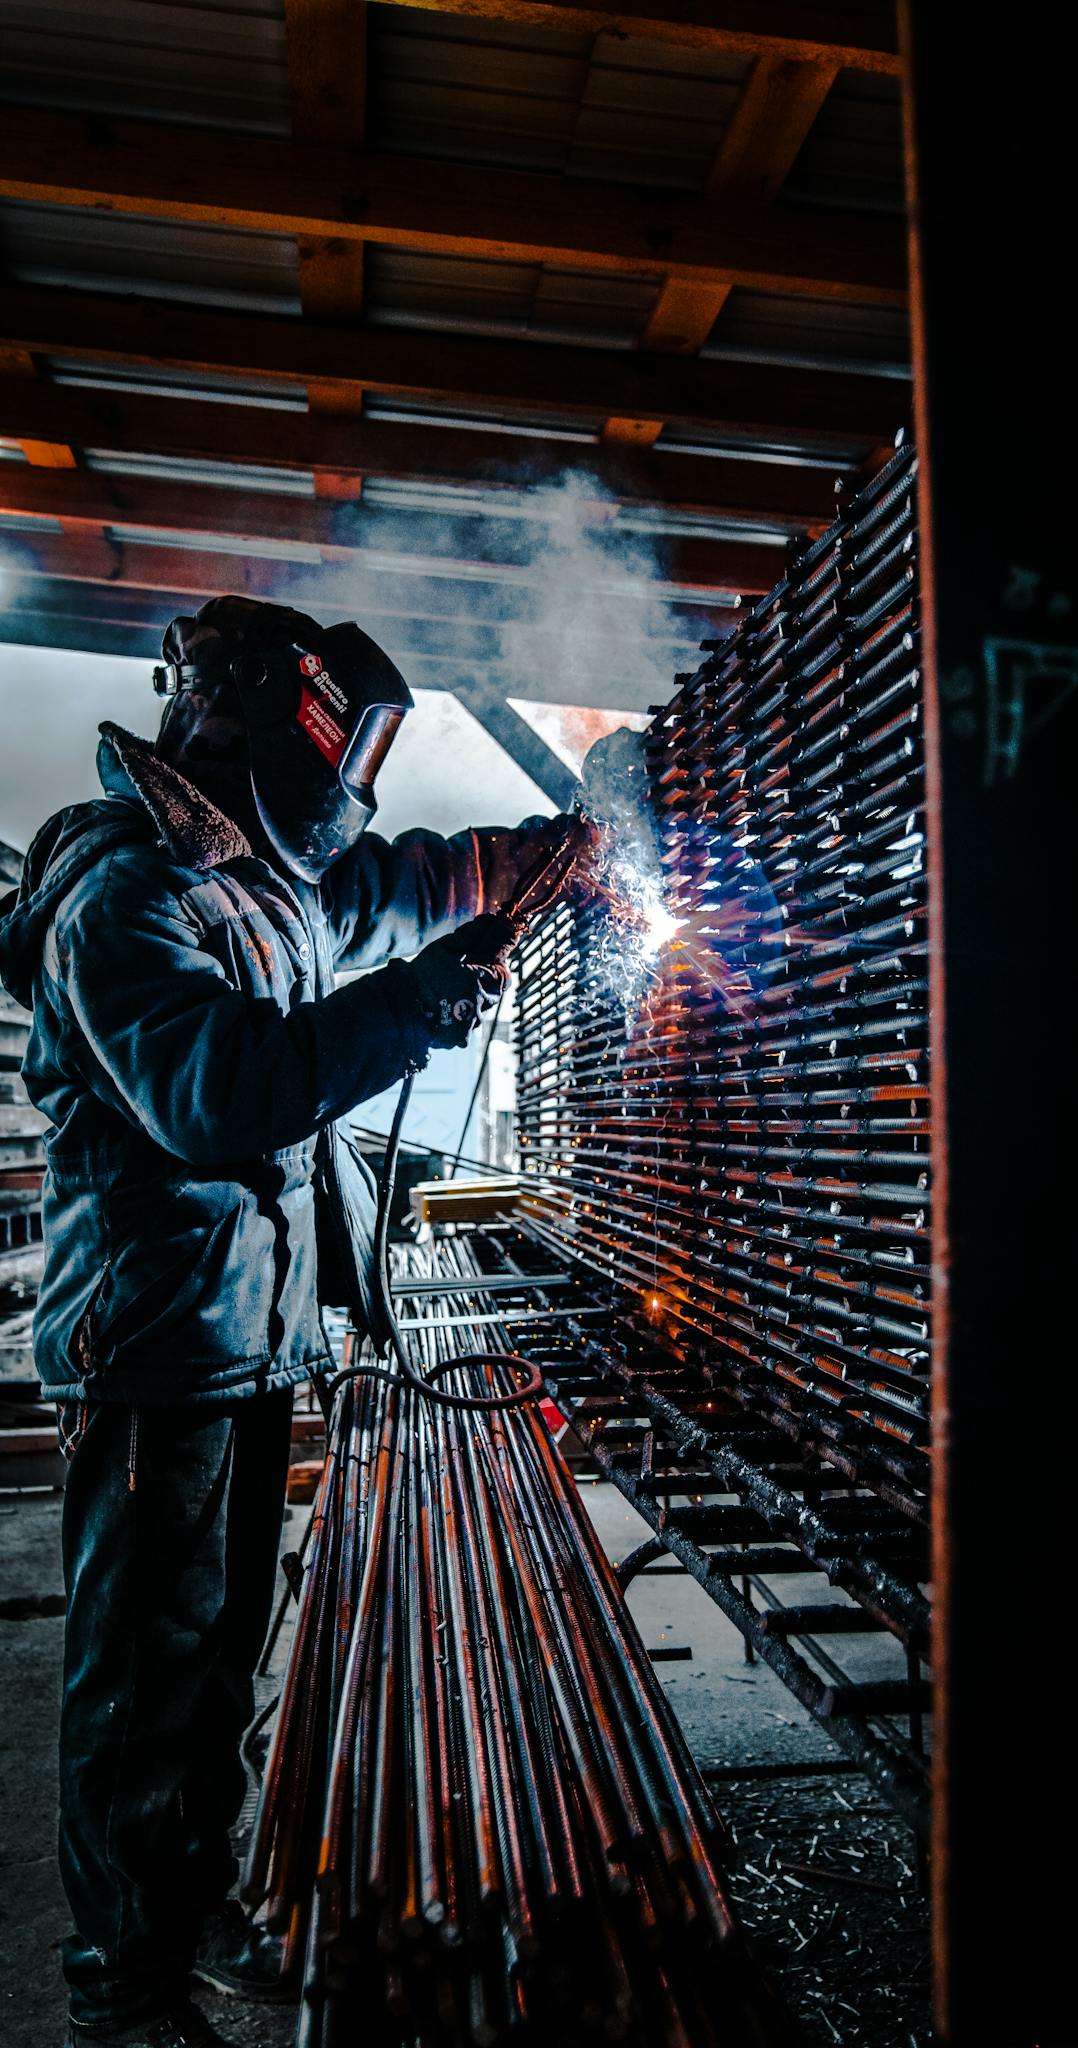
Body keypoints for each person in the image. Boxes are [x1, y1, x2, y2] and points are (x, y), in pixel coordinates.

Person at [0, 596, 588, 2048]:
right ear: (265, 713)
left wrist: (542, 856)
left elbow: (398, 885)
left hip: (247, 1340)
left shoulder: (262, 883)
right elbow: (221, 1095)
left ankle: (191, 1910)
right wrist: (413, 1004)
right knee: (146, 1681)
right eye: (344, 744)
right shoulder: (125, 896)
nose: (350, 782)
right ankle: (118, 1995)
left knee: (220, 1657)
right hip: (153, 1355)